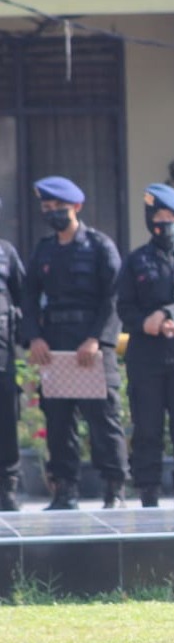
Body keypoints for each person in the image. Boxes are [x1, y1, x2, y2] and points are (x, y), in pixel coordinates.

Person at [22, 176, 129, 510]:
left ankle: (114, 490)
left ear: (77, 207)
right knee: (58, 421)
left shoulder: (99, 246)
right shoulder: (43, 250)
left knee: (103, 420)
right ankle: (64, 490)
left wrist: (97, 339)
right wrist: (34, 337)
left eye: (59, 208)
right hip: (56, 348)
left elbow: (115, 297)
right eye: (47, 208)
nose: (53, 213)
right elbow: (27, 297)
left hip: (92, 347)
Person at [116, 183, 174, 508]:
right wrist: (145, 322)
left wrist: (171, 313)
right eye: (159, 217)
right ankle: (149, 495)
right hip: (147, 358)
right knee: (148, 429)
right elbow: (123, 308)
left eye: (171, 217)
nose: (165, 223)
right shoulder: (136, 261)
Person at [0, 196, 25, 511]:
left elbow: (23, 298)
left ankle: (8, 489)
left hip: (3, 357)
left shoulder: (6, 252)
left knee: (5, 422)